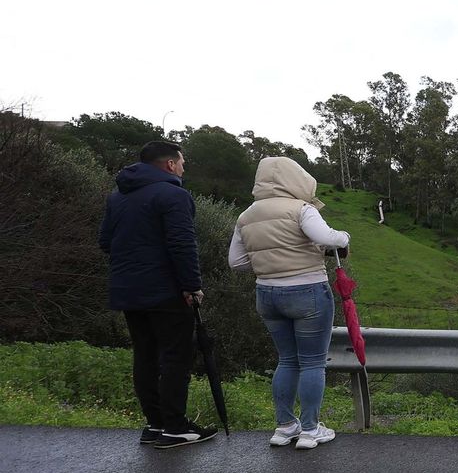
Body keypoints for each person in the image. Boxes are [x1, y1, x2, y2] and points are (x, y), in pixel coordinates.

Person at [99, 139, 217, 449]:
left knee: (145, 355)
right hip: (165, 291)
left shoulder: (118, 197)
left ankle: (155, 424)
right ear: (169, 165)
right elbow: (182, 244)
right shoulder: (173, 195)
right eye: (181, 163)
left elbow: (106, 242)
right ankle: (176, 427)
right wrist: (192, 285)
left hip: (128, 289)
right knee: (176, 357)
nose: (183, 168)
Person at [229, 156, 350, 450]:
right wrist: (344, 237)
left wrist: (268, 264)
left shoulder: (246, 215)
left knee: (287, 360)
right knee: (312, 363)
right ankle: (310, 430)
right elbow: (327, 238)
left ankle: (284, 427)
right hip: (307, 291)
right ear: (294, 178)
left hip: (267, 295)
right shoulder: (301, 209)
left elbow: (236, 262)